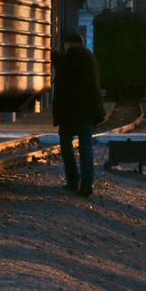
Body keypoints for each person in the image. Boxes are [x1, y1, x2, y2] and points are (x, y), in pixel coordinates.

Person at [52, 31, 105, 197]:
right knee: (86, 148)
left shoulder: (70, 57)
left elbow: (64, 71)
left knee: (66, 146)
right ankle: (87, 184)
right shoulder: (91, 57)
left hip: (70, 113)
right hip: (88, 112)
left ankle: (73, 181)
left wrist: (53, 55)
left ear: (68, 43)